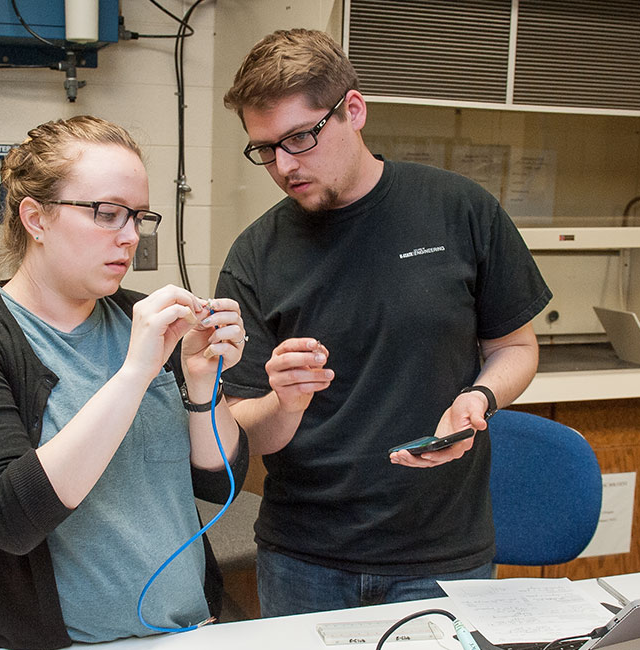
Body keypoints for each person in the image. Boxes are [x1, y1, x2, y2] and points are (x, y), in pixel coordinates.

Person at [214, 29, 552, 617]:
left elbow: (517, 347)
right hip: (304, 559)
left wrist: (480, 398)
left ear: (353, 109)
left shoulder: (460, 209)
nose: (284, 166)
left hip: (443, 555)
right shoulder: (254, 255)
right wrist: (285, 402)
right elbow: (248, 433)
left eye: (300, 138)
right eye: (265, 148)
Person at [0, 115, 249, 650]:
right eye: (107, 214)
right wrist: (136, 373)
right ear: (36, 218)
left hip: (180, 630)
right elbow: (10, 516)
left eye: (138, 217)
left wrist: (204, 389)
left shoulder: (140, 319)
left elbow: (216, 479)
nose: (131, 237)